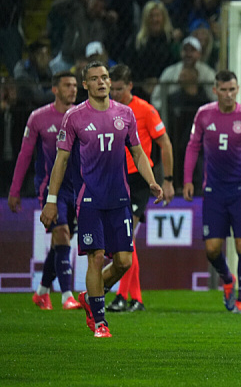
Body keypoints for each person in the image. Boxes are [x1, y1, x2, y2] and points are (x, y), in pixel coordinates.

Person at [39, 62, 165, 338]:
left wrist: (152, 181)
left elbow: (139, 153)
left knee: (123, 262)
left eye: (105, 77)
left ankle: (89, 297)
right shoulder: (74, 118)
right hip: (89, 200)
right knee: (95, 258)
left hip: (120, 198)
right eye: (94, 79)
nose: (101, 82)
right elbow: (60, 161)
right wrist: (51, 199)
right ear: (86, 85)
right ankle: (100, 322)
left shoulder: (125, 114)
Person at [183, 70, 241, 314]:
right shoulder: (204, 114)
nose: (228, 94)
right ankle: (227, 279)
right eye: (223, 90)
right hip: (213, 190)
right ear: (215, 90)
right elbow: (193, 147)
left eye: (232, 89)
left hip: (240, 190)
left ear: (238, 89)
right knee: (212, 249)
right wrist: (187, 180)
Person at [8, 72, 81, 311]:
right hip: (51, 187)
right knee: (61, 233)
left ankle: (41, 292)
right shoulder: (39, 118)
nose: (73, 89)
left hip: (78, 187)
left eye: (74, 85)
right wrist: (15, 189)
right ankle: (67, 295)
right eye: (67, 85)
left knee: (63, 240)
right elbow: (25, 154)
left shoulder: (82, 116)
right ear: (55, 89)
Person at [106, 65, 176, 312]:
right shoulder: (107, 110)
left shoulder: (145, 110)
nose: (114, 93)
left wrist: (167, 179)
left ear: (130, 86)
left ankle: (122, 297)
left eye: (119, 88)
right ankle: (135, 299)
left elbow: (164, 144)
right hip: (113, 179)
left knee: (126, 237)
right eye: (111, 88)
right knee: (124, 240)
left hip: (137, 181)